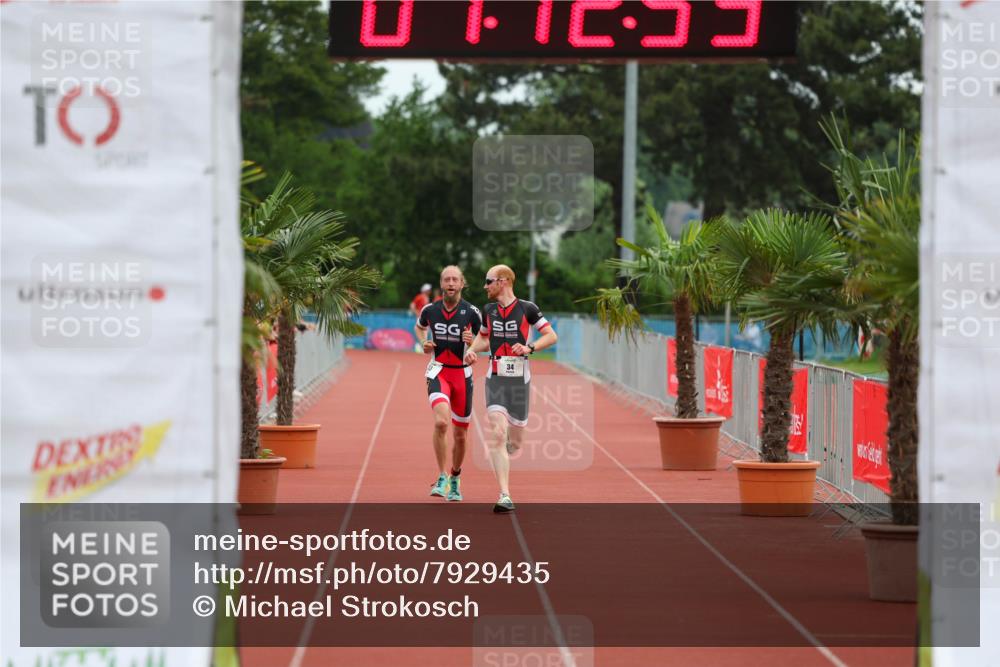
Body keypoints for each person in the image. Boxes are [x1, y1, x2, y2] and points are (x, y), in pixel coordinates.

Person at [465, 264, 557, 513]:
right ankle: (504, 494)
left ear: (503, 281)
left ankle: (507, 448)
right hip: (495, 377)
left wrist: (530, 348)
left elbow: (551, 335)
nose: (485, 286)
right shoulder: (488, 310)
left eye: (489, 281)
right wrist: (472, 350)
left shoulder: (528, 309)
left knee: (514, 442)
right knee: (496, 432)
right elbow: (484, 338)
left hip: (519, 380)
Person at [414, 266, 482, 502]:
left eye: (455, 279)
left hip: (462, 376)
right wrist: (424, 342)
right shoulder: (429, 310)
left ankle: (455, 477)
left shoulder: (473, 312)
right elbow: (420, 327)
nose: (451, 283)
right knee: (441, 423)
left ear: (462, 283)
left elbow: (484, 341)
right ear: (441, 284)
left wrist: (472, 346)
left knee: (461, 435)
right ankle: (442, 475)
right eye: (446, 279)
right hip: (439, 372)